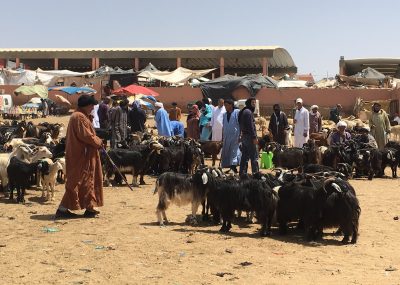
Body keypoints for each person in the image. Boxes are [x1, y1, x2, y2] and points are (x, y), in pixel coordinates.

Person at [55, 95, 103, 219]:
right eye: (92, 105)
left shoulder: (81, 116)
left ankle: (90, 207)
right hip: (82, 155)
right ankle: (63, 209)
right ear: (86, 105)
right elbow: (86, 136)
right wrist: (98, 142)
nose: (93, 108)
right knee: (78, 181)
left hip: (83, 154)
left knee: (86, 181)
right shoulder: (79, 117)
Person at [238, 97, 259, 175]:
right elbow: (250, 126)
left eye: (255, 103)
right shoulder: (248, 112)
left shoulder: (244, 111)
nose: (254, 104)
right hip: (250, 137)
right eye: (252, 103)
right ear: (249, 103)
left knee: (245, 156)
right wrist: (254, 137)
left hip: (245, 137)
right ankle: (256, 174)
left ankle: (242, 173)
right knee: (254, 157)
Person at [220, 99, 240, 173]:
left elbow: (240, 124)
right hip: (226, 136)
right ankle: (230, 166)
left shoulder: (237, 112)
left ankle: (233, 166)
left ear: (231, 105)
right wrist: (222, 135)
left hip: (235, 135)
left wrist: (240, 134)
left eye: (226, 105)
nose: (225, 107)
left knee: (234, 151)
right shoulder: (224, 114)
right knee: (227, 151)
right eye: (224, 105)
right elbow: (224, 125)